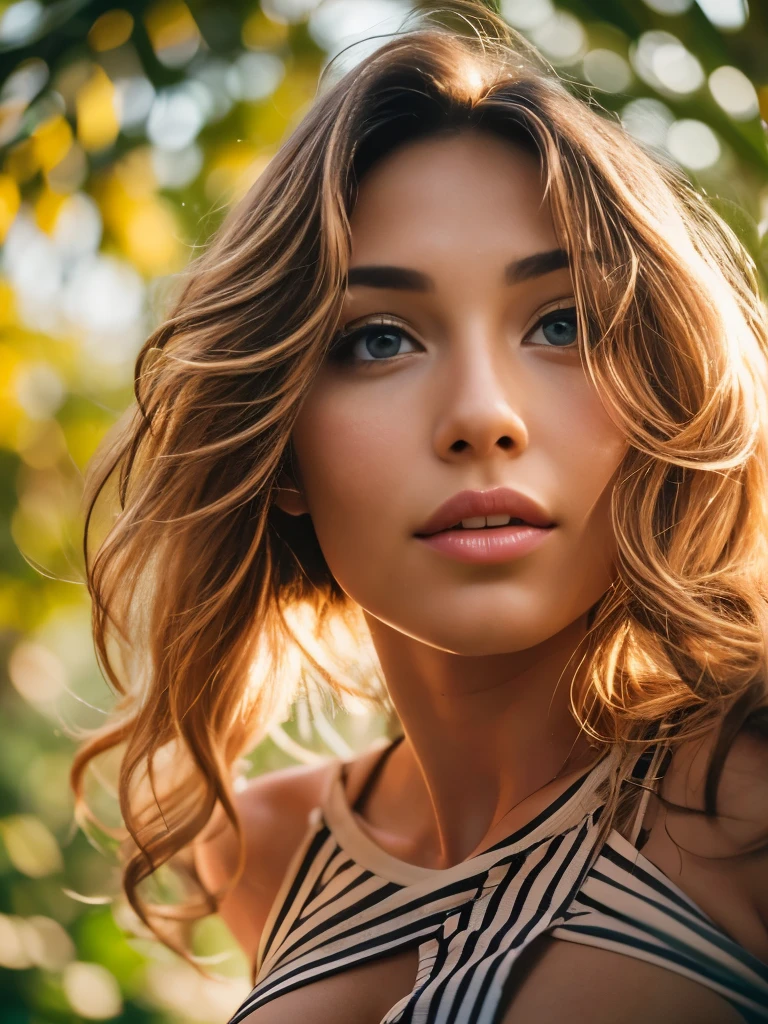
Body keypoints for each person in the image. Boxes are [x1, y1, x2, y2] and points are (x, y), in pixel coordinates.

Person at [70, 2, 768, 1021]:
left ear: (659, 393)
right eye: (380, 339)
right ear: (282, 441)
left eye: (564, 322)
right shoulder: (259, 847)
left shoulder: (749, 808)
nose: (483, 415)